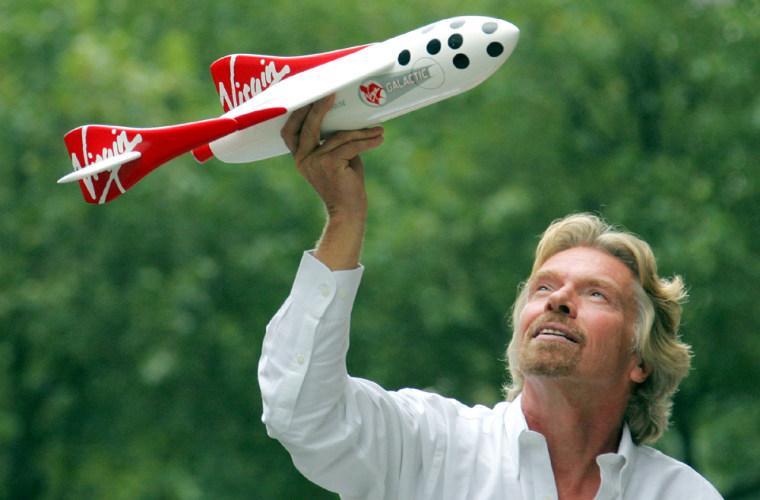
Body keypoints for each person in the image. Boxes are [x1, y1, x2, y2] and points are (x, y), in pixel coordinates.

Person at [258, 95, 723, 499]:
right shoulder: (427, 444)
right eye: (543, 286)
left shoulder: (684, 495)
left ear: (639, 359)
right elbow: (302, 412)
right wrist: (344, 217)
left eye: (597, 295)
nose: (557, 299)